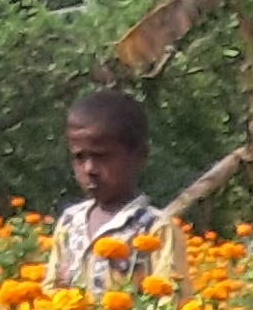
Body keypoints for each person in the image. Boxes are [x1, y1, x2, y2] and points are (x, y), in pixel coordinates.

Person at [42, 84, 183, 297]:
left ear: (139, 156)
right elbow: (50, 291)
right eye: (80, 157)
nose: (89, 169)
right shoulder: (69, 222)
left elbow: (170, 302)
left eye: (101, 156)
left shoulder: (155, 228)